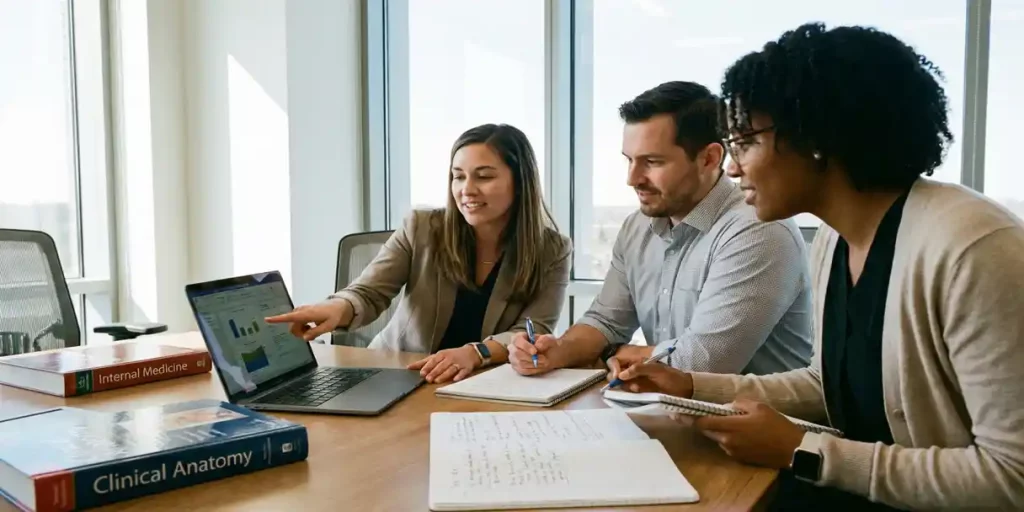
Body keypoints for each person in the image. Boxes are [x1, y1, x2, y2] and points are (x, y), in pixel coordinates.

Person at [612, 23, 1024, 511]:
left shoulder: (972, 248)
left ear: (816, 137)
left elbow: (1011, 477)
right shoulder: (833, 238)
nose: (733, 166)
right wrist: (693, 385)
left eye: (744, 142)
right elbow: (825, 384)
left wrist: (803, 452)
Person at [507, 81, 813, 378]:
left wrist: (615, 353)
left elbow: (702, 362)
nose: (633, 178)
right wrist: (558, 350)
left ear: (709, 158)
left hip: (755, 424)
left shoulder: (757, 230)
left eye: (652, 162)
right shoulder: (636, 228)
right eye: (629, 160)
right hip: (668, 412)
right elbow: (605, 321)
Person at [266, 123, 571, 384]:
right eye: (458, 176)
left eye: (484, 176)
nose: (467, 189)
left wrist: (476, 352)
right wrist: (337, 308)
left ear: (520, 183)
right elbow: (369, 292)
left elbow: (533, 330)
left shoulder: (552, 250)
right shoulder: (422, 227)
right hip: (396, 373)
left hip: (481, 384)